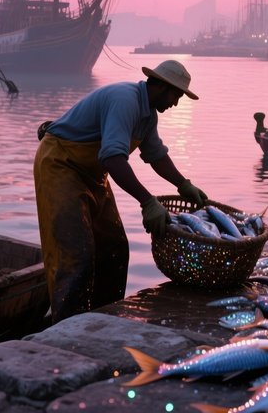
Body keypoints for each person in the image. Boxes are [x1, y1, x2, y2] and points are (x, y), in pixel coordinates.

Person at [34, 60, 208, 323]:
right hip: (60, 165)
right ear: (160, 86)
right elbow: (113, 159)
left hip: (93, 174)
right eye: (176, 94)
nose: (176, 102)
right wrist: (147, 202)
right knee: (76, 255)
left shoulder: (148, 115)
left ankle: (104, 320)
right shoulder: (125, 101)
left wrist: (183, 184)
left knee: (115, 248)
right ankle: (66, 327)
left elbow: (156, 156)